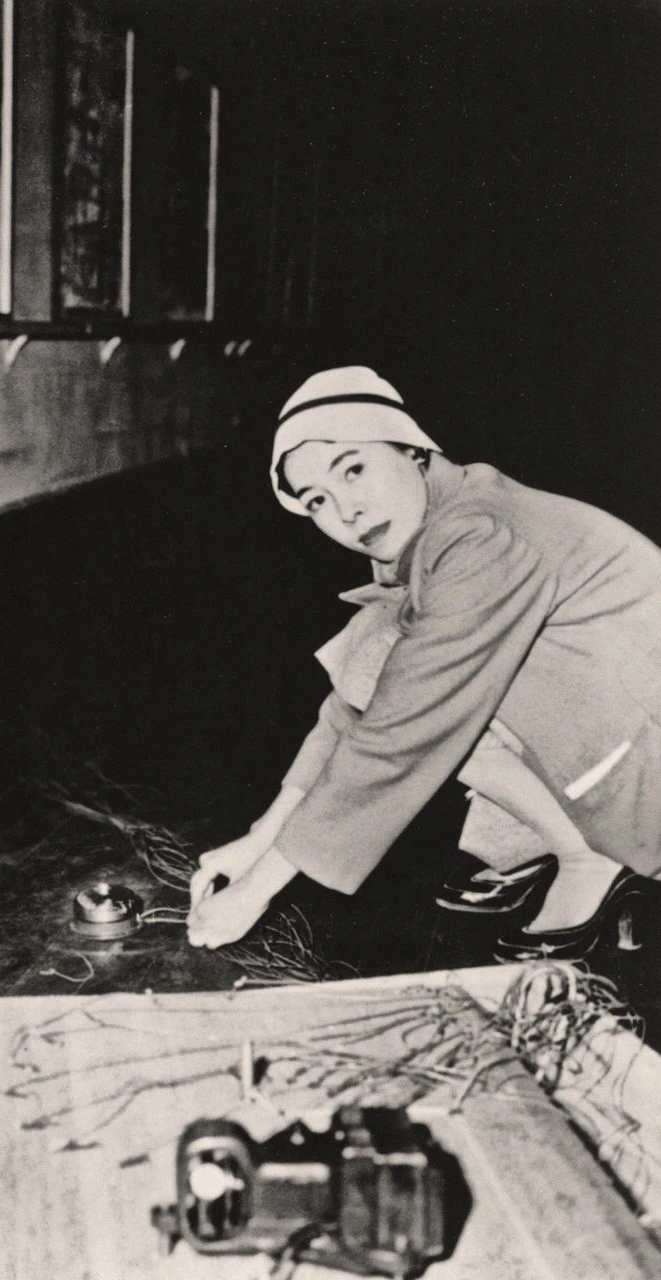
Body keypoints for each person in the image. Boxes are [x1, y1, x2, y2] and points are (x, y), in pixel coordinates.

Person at [186, 365, 661, 961]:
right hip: (623, 732)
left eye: (354, 469)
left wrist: (257, 890)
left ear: (412, 449)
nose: (347, 512)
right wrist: (261, 839)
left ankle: (590, 855)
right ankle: (569, 838)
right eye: (318, 502)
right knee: (377, 647)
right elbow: (354, 707)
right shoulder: (447, 519)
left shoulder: (481, 535)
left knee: (412, 681)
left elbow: (403, 724)